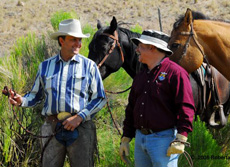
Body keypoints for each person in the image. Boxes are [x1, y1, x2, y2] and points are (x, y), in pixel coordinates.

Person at [8, 19, 106, 167]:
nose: (78, 44)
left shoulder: (89, 66)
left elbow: (100, 98)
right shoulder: (45, 66)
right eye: (73, 39)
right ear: (61, 40)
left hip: (81, 129)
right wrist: (20, 100)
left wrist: (79, 117)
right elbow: (35, 96)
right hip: (51, 128)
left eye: (79, 40)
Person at [119, 30, 195, 166]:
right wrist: (126, 138)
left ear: (152, 48)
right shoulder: (141, 75)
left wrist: (181, 138)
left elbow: (186, 107)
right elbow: (131, 108)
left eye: (141, 46)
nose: (137, 50)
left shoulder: (176, 73)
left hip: (164, 140)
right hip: (140, 139)